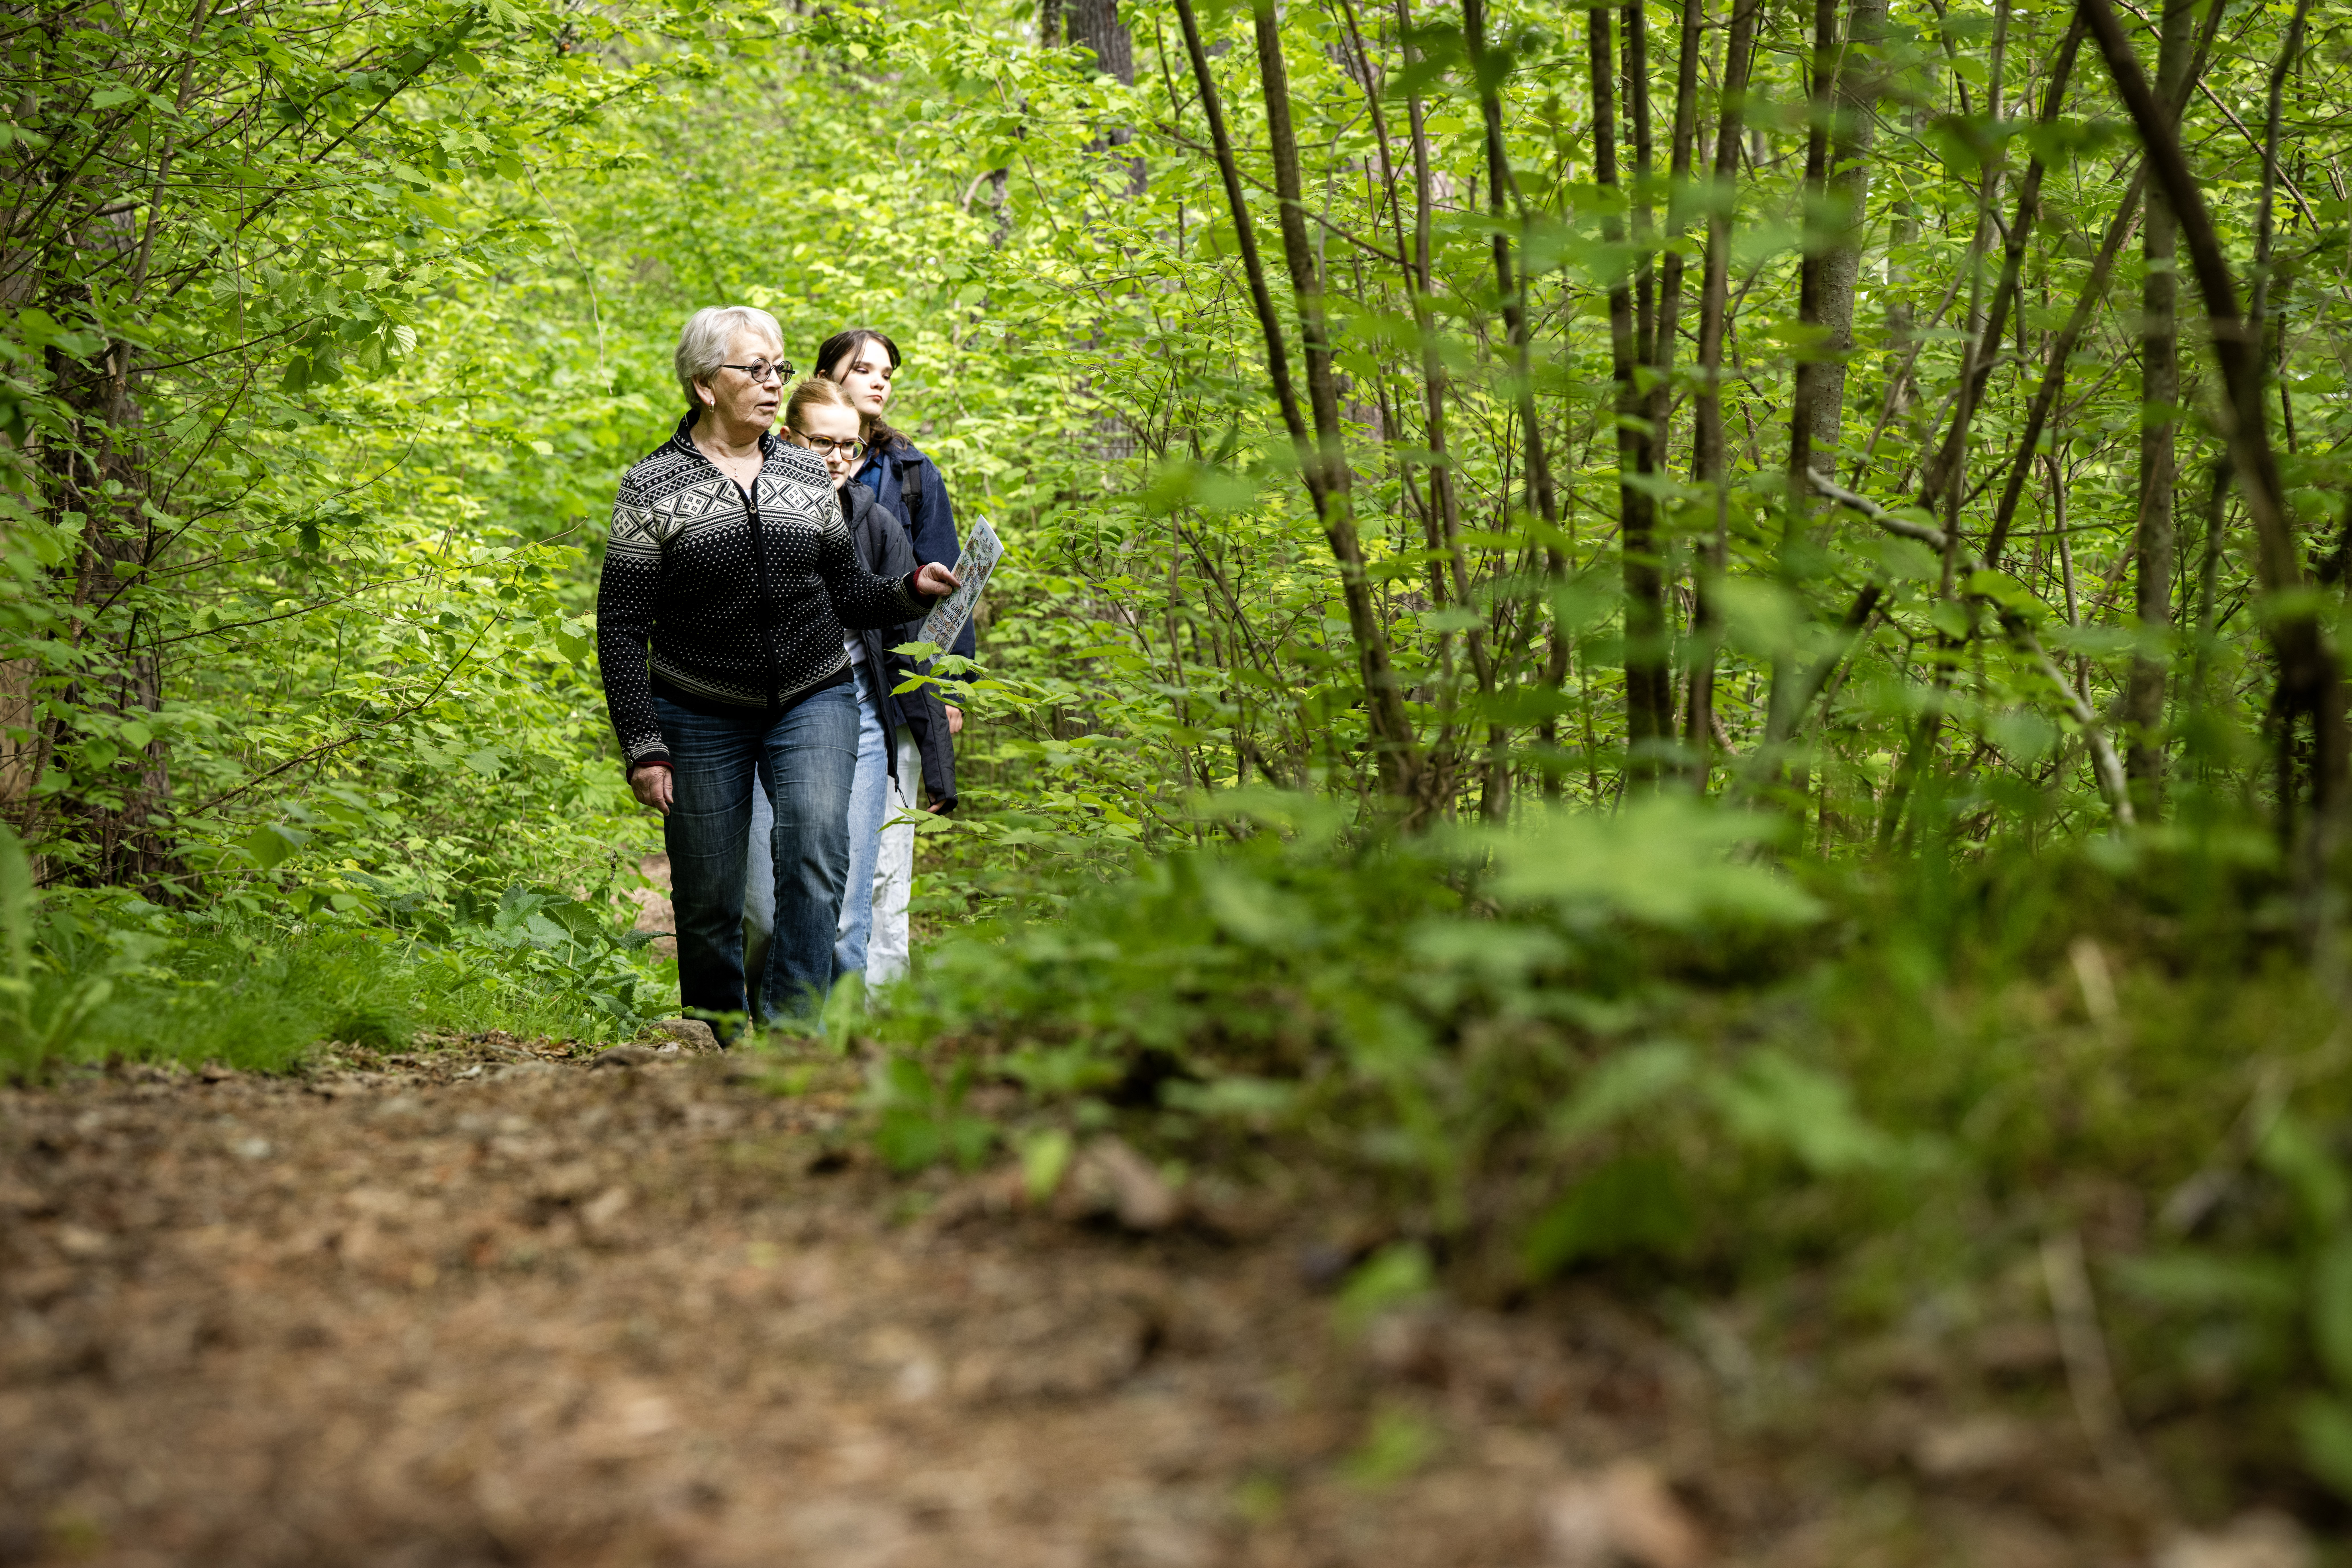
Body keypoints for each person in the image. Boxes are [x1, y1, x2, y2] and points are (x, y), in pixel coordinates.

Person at [597, 305, 956, 1028]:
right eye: (755, 371)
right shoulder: (652, 487)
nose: (773, 385)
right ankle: (718, 1035)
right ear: (705, 385)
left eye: (780, 370)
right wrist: (644, 744)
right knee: (708, 892)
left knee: (818, 858)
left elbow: (850, 590)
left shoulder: (801, 471)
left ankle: (794, 1032)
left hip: (813, 694)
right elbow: (622, 626)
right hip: (697, 708)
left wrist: (907, 590)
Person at [742, 378, 958, 999]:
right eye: (823, 444)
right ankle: (763, 1034)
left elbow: (907, 653)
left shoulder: (877, 524)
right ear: (786, 439)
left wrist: (937, 762)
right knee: (761, 910)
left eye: (851, 446)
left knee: (844, 914)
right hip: (761, 724)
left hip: (860, 724)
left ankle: (833, 1051)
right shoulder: (748, 511)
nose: (839, 458)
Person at [817, 327, 973, 980]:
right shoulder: (790, 460)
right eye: (865, 369)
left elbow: (952, 587)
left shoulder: (912, 472)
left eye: (888, 372)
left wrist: (950, 691)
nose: (880, 381)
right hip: (814, 687)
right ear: (830, 377)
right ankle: (806, 1006)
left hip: (900, 685)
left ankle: (880, 1011)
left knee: (888, 857)